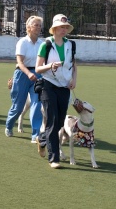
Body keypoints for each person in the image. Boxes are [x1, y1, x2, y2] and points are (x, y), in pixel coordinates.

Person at [35, 14, 77, 169]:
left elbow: (74, 65)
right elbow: (38, 68)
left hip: (64, 86)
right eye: (61, 27)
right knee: (52, 121)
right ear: (54, 29)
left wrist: (74, 80)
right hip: (48, 84)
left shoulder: (71, 45)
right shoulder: (46, 44)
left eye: (66, 27)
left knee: (59, 122)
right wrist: (50, 66)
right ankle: (54, 158)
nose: (64, 29)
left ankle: (42, 139)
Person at [5, 15, 43, 143]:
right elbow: (20, 62)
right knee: (18, 106)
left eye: (39, 25)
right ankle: (9, 125)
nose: (38, 27)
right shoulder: (22, 42)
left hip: (37, 74)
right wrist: (28, 73)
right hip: (22, 74)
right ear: (28, 27)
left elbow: (44, 61)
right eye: (35, 25)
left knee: (37, 104)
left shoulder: (42, 44)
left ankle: (35, 135)